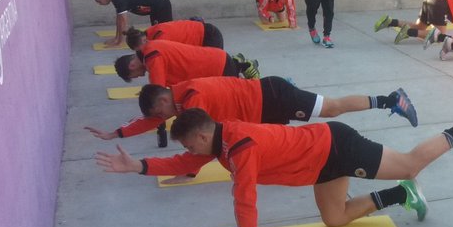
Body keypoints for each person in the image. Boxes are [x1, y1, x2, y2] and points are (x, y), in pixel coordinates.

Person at [95, 106, 453, 227]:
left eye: (191, 143)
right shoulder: (219, 140)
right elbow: (187, 160)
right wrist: (140, 167)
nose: (190, 151)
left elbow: (244, 200)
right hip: (320, 163)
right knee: (334, 219)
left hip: (336, 148)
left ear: (203, 135)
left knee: (410, 163)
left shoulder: (240, 148)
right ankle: (400, 196)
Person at [85, 78, 419, 182]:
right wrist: (117, 134)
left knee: (330, 107)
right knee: (296, 145)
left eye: (160, 112)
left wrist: (187, 170)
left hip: (273, 98)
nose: (161, 119)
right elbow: (201, 142)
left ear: (163, 100)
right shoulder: (180, 102)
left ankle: (390, 99)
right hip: (261, 116)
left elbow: (209, 142)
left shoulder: (194, 101)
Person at [113, 38, 259, 84]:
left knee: (245, 95)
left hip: (218, 68)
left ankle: (248, 68)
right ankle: (240, 64)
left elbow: (157, 91)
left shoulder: (151, 57)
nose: (140, 76)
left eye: (135, 75)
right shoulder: (150, 49)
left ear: (132, 65)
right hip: (217, 61)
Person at [91, 0, 173, 48]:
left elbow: (123, 21)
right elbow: (119, 19)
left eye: (99, 1)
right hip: (155, 6)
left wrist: (119, 42)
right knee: (157, 33)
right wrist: (116, 39)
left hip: (161, 4)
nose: (99, 4)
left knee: (165, 33)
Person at [125, 19, 223, 51]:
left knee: (214, 71)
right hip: (207, 32)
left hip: (209, 36)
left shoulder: (161, 38)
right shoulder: (151, 31)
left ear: (143, 40)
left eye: (141, 49)